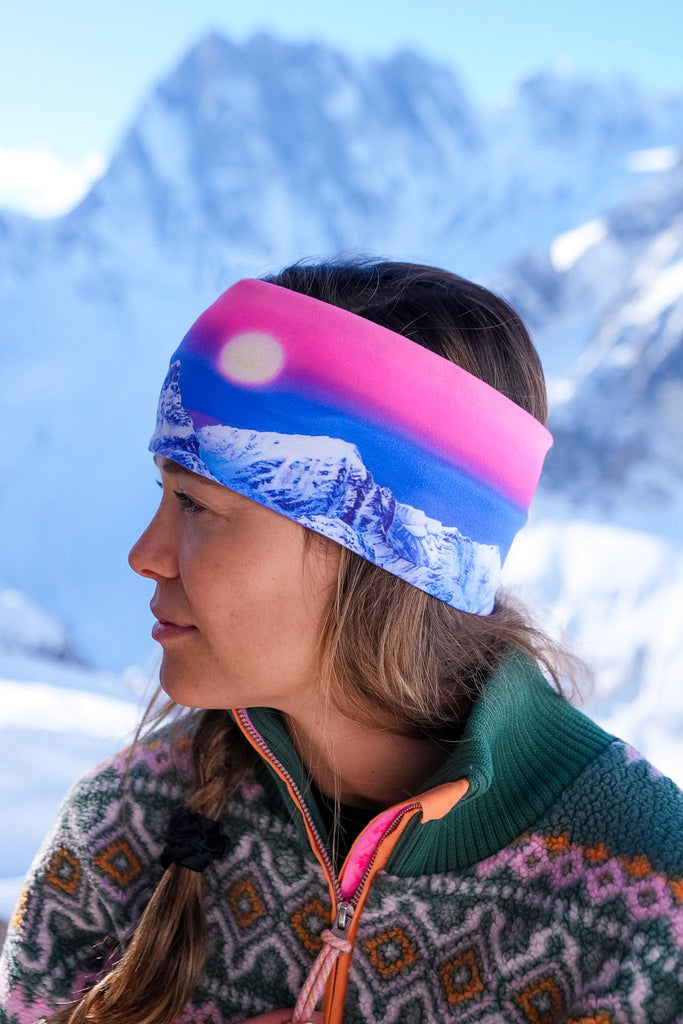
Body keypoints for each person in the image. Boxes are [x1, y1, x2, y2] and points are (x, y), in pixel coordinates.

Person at [0, 260, 681, 1024]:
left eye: (194, 502)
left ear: (372, 545)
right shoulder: (120, 829)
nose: (144, 554)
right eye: (162, 494)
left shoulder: (646, 896)